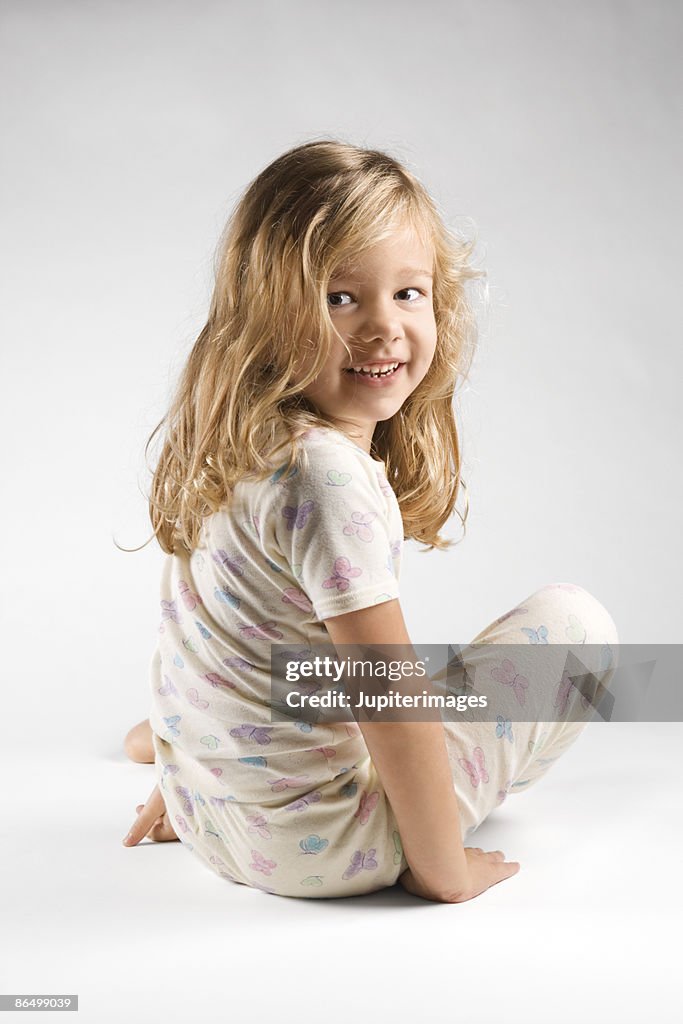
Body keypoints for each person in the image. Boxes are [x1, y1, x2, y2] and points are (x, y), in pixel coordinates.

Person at [120, 139, 619, 903]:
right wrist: (442, 869)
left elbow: (205, 632)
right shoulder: (326, 475)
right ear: (267, 313)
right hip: (322, 847)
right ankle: (392, 834)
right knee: (574, 626)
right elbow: (389, 703)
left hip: (209, 815)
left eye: (407, 293)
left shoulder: (243, 436)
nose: (383, 328)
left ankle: (186, 751)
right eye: (339, 298)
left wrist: (195, 780)